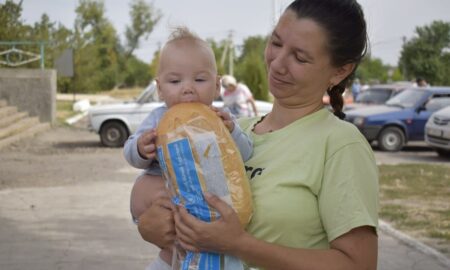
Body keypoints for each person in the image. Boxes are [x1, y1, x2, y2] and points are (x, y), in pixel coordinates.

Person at [135, 0, 379, 269]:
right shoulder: (233, 128)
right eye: (276, 43)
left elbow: (359, 264)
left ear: (340, 70)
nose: (277, 64)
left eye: (299, 57)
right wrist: (153, 226)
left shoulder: (340, 144)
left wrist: (239, 244)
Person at [123, 27, 253, 270]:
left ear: (217, 86)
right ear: (160, 88)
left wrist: (233, 132)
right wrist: (141, 149)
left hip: (205, 208)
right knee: (172, 253)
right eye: (175, 81)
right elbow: (130, 150)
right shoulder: (159, 118)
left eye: (200, 79)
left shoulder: (217, 118)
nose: (188, 88)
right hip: (167, 209)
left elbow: (244, 155)